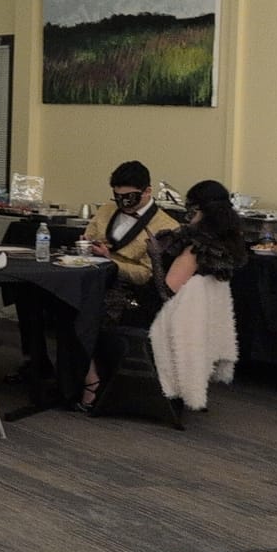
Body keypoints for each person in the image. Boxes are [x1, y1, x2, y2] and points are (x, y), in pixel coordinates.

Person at [79, 160, 181, 411]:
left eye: (129, 196)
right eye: (117, 196)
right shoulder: (106, 210)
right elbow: (88, 236)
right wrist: (85, 245)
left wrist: (111, 261)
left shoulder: (166, 226)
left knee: (77, 310)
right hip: (92, 277)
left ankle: (90, 379)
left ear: (147, 192)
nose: (122, 201)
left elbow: (148, 275)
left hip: (129, 291)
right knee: (42, 297)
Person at [148, 179, 249, 414]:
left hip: (176, 317)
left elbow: (166, 291)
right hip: (204, 320)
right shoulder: (229, 240)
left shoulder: (197, 246)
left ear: (199, 211)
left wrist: (154, 256)